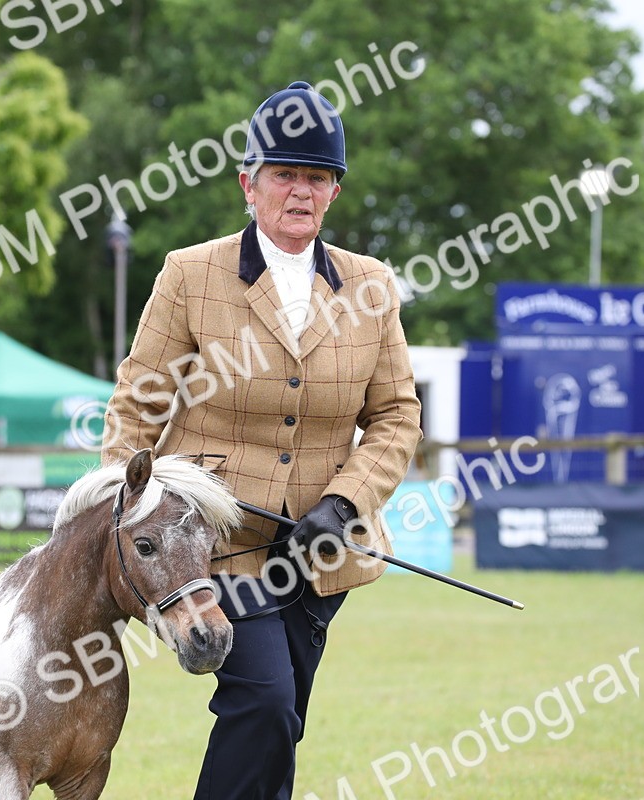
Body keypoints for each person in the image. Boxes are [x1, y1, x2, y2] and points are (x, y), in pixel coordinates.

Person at [102, 80, 422, 800]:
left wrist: (343, 506)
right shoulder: (191, 274)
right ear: (250, 183)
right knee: (267, 703)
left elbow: (398, 417)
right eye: (285, 174)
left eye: (317, 177)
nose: (301, 191)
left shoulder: (371, 285)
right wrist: (130, 509)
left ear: (335, 192)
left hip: (320, 546)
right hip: (214, 546)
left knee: (281, 726)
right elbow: (136, 404)